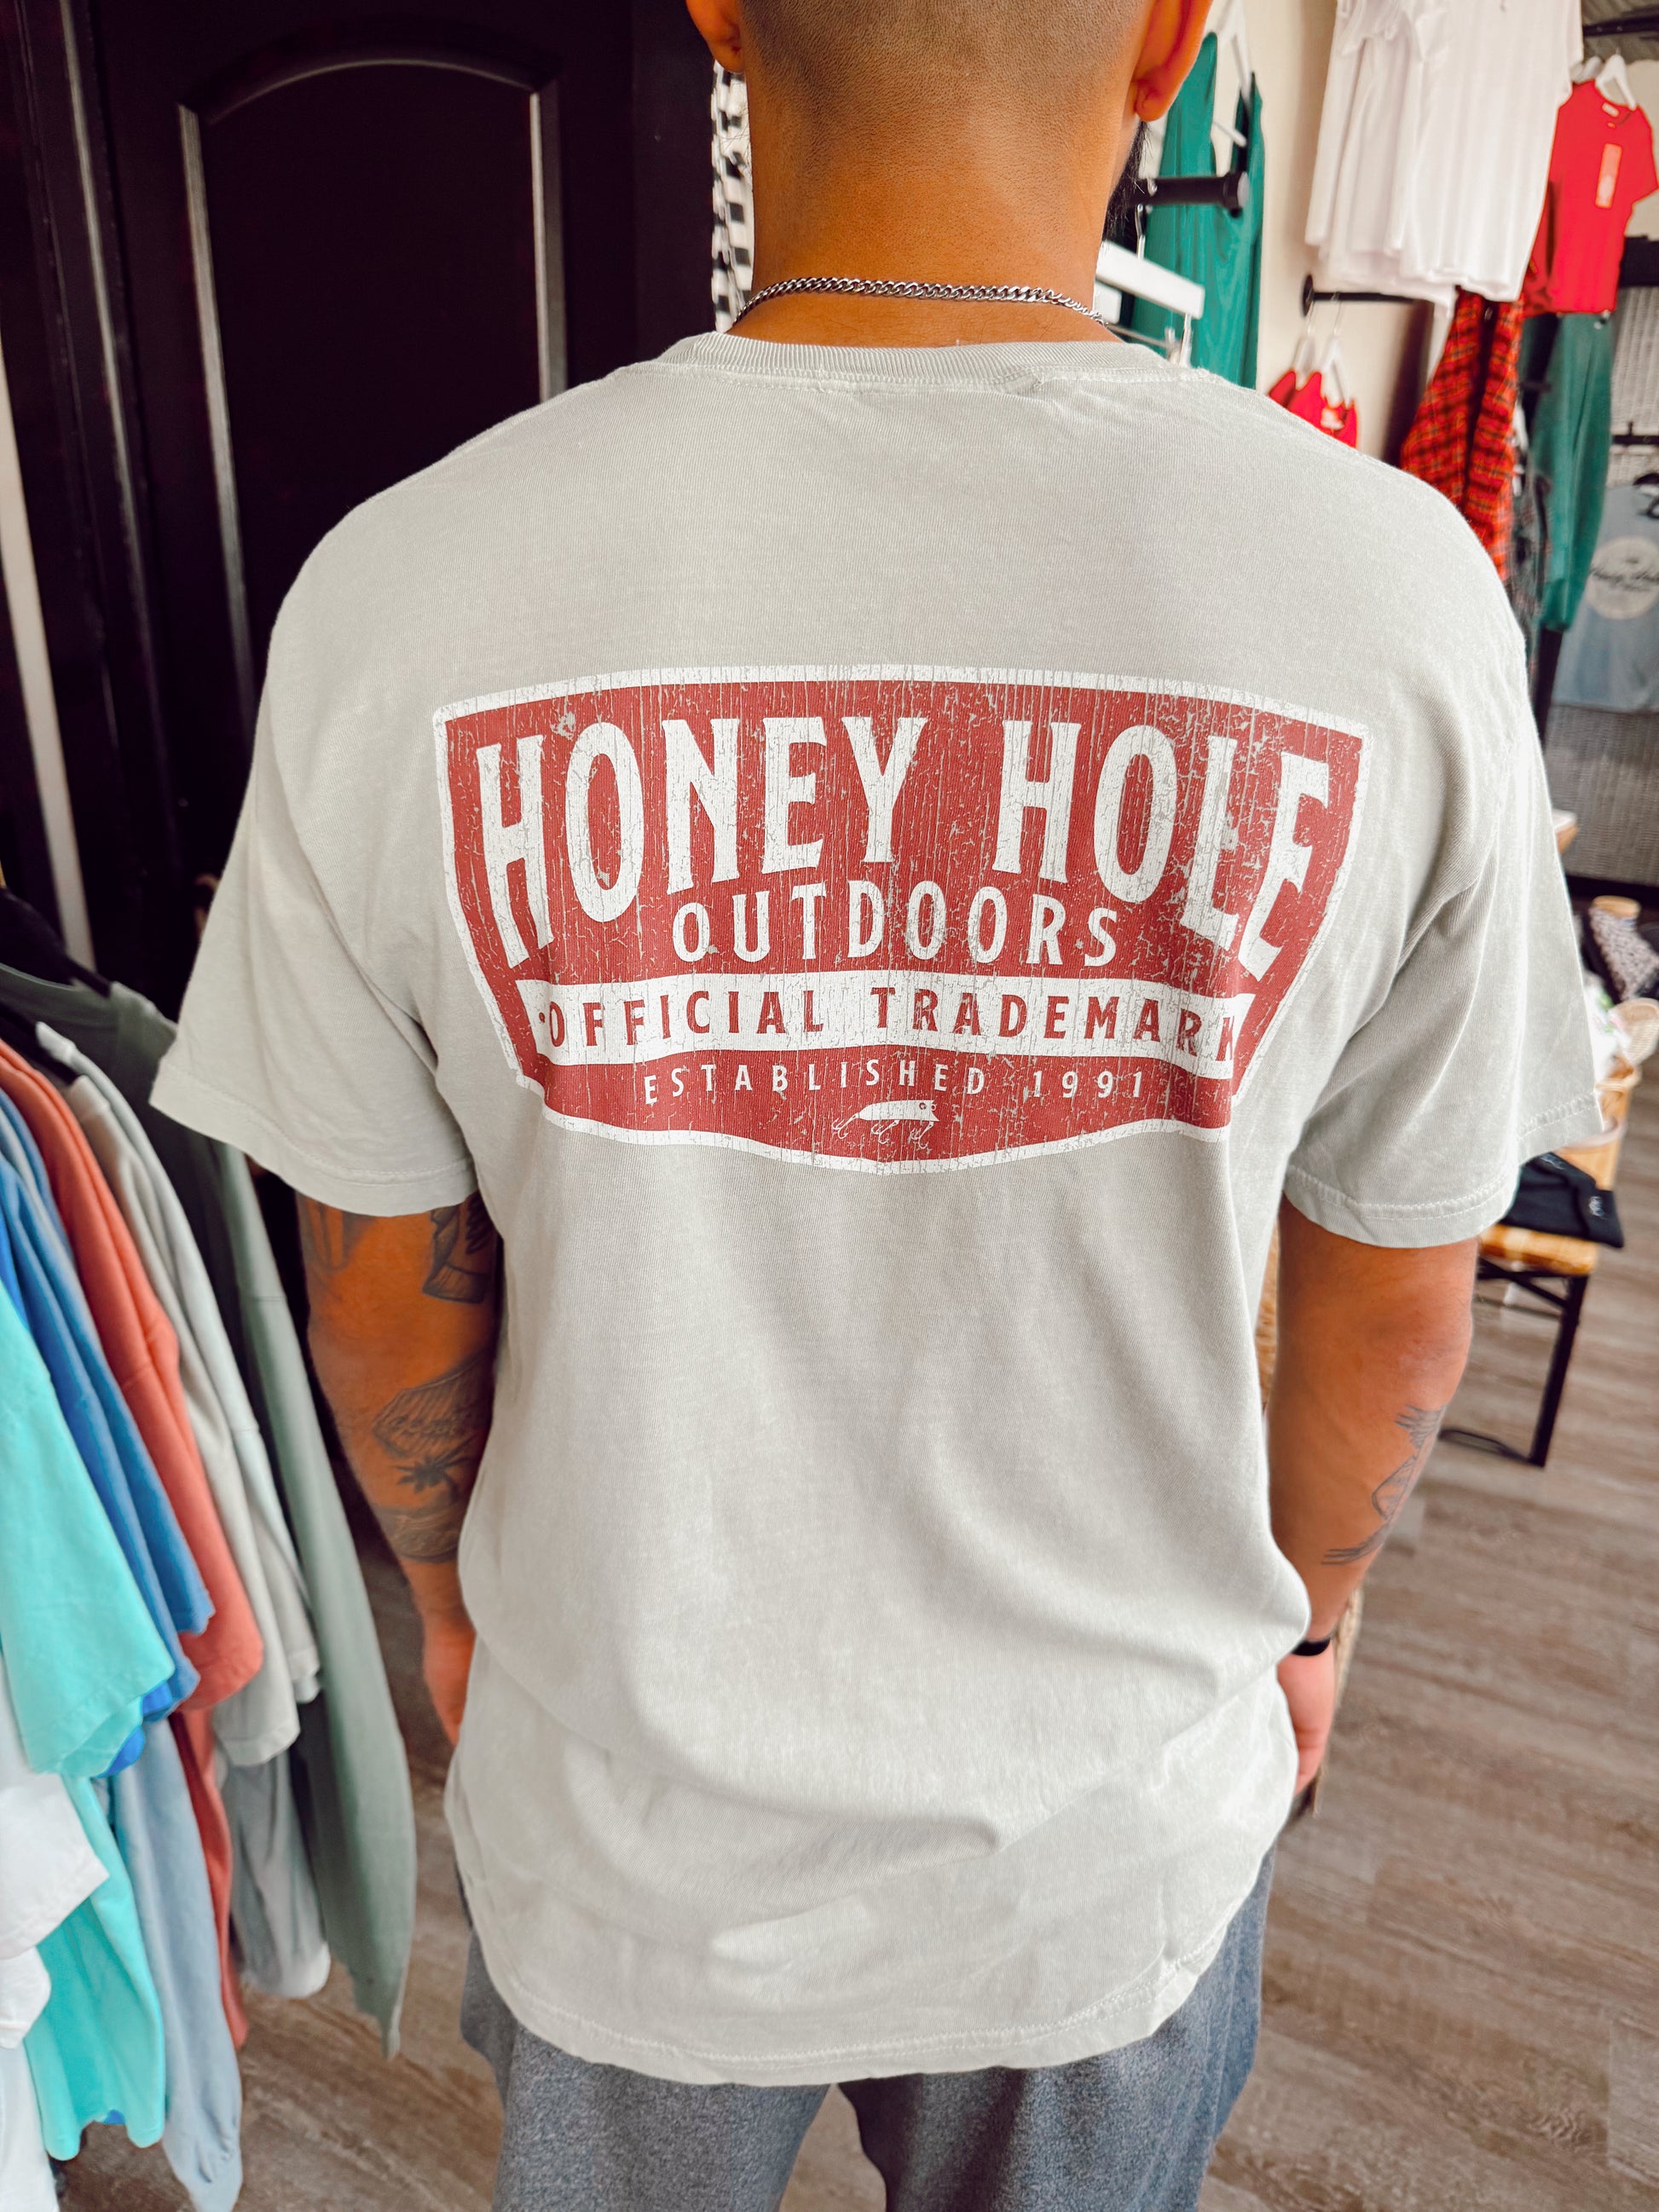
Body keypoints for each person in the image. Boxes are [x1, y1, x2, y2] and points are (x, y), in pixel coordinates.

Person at [153, 0, 1598, 2203]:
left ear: (721, 12)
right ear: (1170, 39)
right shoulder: (1393, 598)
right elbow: (1394, 1301)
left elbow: (378, 1285)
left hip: (629, 1831)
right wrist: (1309, 1623)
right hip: (1109, 1844)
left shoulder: (405, 590)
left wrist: (447, 1589)